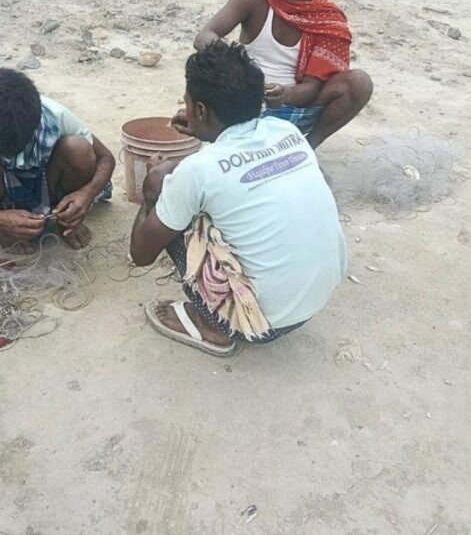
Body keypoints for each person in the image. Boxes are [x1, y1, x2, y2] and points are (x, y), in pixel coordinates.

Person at [130, 42, 346, 356]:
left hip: (262, 325)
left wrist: (153, 192)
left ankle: (214, 327)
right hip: (315, 302)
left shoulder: (197, 171)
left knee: (174, 200)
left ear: (200, 110)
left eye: (189, 103)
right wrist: (206, 130)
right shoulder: (285, 131)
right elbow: (234, 161)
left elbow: (140, 254)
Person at [193, 0, 373, 150]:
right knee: (202, 65)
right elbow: (203, 37)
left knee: (359, 82)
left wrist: (284, 95)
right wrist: (242, 71)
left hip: (293, 107)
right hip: (242, 101)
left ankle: (307, 149)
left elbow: (310, 88)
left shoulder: (326, 20)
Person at [0, 68, 114, 249]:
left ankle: (64, 217)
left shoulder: (53, 115)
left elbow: (106, 158)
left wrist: (86, 194)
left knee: (78, 149)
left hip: (46, 177)